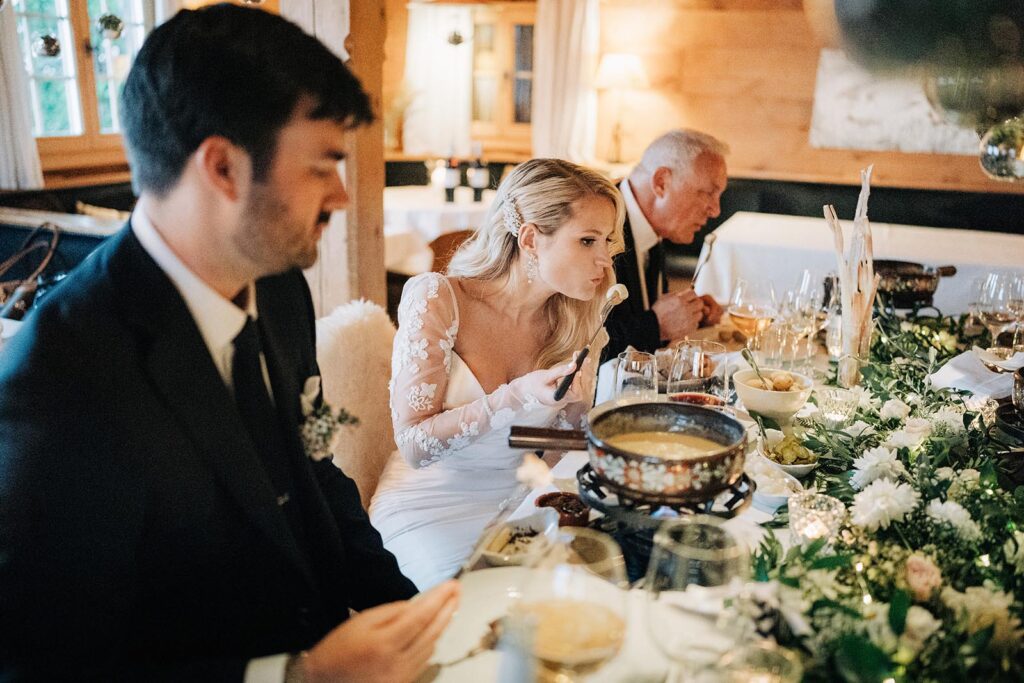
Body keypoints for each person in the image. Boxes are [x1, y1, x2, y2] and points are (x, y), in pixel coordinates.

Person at [0, 6, 459, 681]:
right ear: (221, 167)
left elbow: (317, 470)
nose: (339, 192)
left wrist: (418, 628)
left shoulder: (279, 289)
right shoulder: (59, 379)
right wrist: (300, 674)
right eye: (322, 165)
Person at [369, 159, 625, 589]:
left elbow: (558, 448)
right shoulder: (438, 298)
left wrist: (590, 426)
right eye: (587, 241)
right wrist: (517, 395)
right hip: (431, 505)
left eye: (608, 242)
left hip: (524, 496)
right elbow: (415, 445)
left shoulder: (584, 316)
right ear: (530, 239)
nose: (604, 260)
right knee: (477, 604)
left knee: (593, 585)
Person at [604, 129, 729, 359]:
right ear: (661, 182)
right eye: (708, 193)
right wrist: (656, 324)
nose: (715, 210)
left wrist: (691, 315)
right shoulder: (601, 230)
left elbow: (636, 317)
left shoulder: (656, 227)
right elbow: (582, 346)